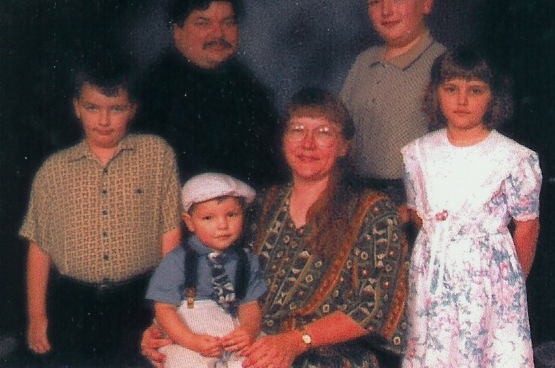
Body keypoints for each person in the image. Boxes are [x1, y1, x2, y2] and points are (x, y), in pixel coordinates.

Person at [142, 88, 409, 368]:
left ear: (344, 146)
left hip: (325, 356)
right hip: (245, 341)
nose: (308, 143)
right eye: (297, 130)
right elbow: (212, 273)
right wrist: (167, 328)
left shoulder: (373, 211)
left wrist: (296, 341)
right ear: (283, 140)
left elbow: (374, 308)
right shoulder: (261, 204)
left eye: (324, 133)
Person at [19, 60, 182, 367]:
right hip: (74, 307)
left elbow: (170, 234)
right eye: (92, 108)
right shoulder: (53, 171)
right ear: (77, 108)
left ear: (133, 109)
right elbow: (39, 247)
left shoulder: (156, 155)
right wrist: (37, 317)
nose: (104, 120)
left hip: (140, 302)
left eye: (116, 109)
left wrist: (166, 308)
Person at [400, 47, 541, 367]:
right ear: (436, 93)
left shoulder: (513, 158)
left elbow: (528, 226)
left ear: (493, 97)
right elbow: (421, 217)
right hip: (433, 282)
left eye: (475, 91)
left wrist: (509, 286)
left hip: (489, 285)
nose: (461, 101)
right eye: (451, 89)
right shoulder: (417, 154)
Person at [134, 0, 281, 186]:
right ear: (177, 31)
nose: (218, 34)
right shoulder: (152, 96)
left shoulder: (252, 91)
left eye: (228, 23)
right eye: (203, 23)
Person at [340, 0, 446, 206]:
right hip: (355, 195)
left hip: (412, 201)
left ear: (426, 2)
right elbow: (339, 129)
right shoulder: (364, 62)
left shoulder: (443, 65)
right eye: (375, 2)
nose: (386, 11)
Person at [146, 173, 267, 368]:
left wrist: (249, 330)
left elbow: (249, 305)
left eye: (231, 215)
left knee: (258, 360)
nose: (223, 225)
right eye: (208, 218)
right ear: (190, 222)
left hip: (231, 334)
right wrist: (191, 340)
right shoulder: (176, 260)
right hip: (188, 337)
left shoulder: (246, 261)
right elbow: (164, 309)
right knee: (183, 362)